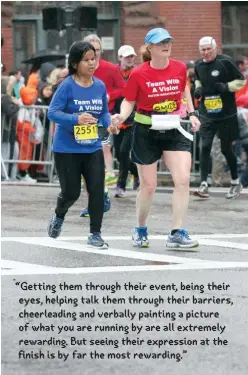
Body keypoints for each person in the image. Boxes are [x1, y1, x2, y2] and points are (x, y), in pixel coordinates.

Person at [110, 28, 201, 249]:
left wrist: (191, 113)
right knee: (148, 186)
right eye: (161, 42)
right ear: (150, 47)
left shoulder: (179, 68)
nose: (166, 45)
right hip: (145, 130)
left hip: (172, 128)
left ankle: (176, 232)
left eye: (169, 41)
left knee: (182, 180)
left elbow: (184, 91)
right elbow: (129, 100)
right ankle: (140, 229)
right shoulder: (139, 74)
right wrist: (120, 116)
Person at [47, 41, 111, 248]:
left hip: (92, 147)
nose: (92, 63)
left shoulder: (99, 86)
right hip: (67, 149)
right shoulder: (67, 86)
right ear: (75, 63)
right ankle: (59, 214)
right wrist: (77, 119)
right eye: (86, 60)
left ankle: (95, 233)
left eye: (94, 59)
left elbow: (103, 113)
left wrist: (110, 124)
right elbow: (52, 112)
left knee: (97, 190)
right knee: (71, 192)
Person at [193, 36, 246, 199]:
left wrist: (227, 87)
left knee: (225, 149)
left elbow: (242, 81)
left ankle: (236, 182)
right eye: (203, 50)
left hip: (226, 114)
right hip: (207, 113)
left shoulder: (226, 62)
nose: (206, 52)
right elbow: (198, 81)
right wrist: (198, 90)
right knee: (205, 146)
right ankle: (203, 184)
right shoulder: (198, 65)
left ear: (215, 48)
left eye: (209, 49)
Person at [79, 34, 124, 217]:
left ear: (101, 52)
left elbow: (123, 88)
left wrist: (108, 96)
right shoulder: (79, 69)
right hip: (84, 120)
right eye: (90, 50)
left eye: (97, 50)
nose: (94, 54)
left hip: (103, 120)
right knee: (83, 163)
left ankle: (97, 200)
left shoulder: (110, 68)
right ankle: (100, 196)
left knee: (95, 159)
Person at [113, 45, 139, 197]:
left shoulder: (136, 73)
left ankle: (120, 186)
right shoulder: (114, 73)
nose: (130, 59)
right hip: (116, 118)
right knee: (118, 154)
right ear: (120, 57)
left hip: (132, 119)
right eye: (127, 56)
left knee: (124, 151)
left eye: (132, 56)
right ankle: (136, 174)